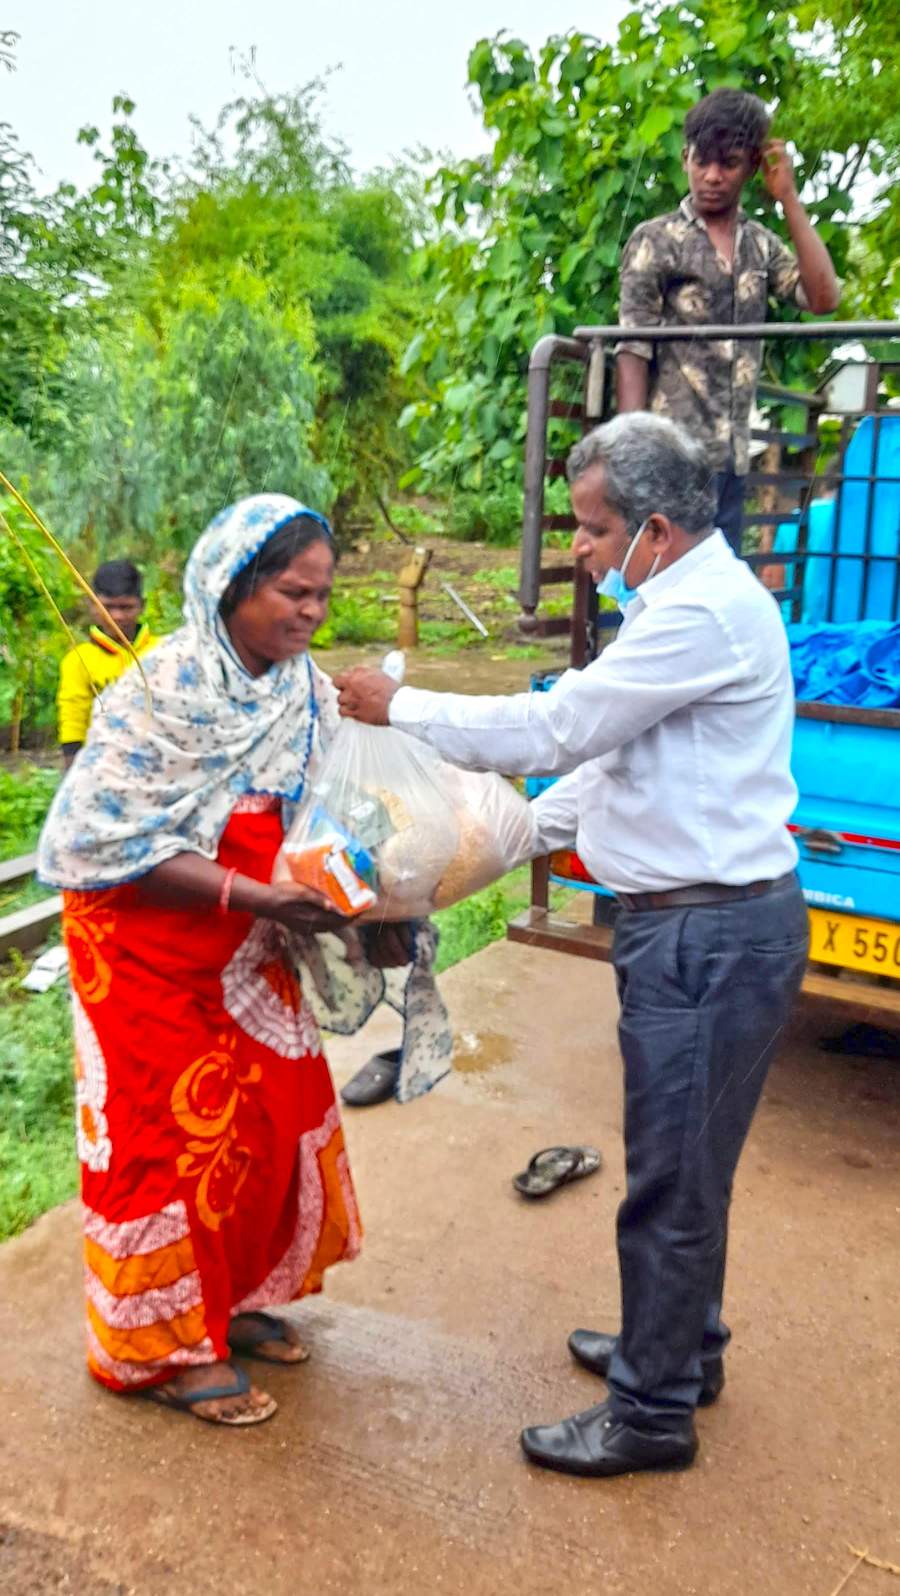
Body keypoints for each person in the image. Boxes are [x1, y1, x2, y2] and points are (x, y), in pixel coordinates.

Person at [335, 413, 810, 1479]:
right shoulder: (681, 608)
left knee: (672, 1181)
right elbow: (599, 778)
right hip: (703, 926)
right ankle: (683, 1350)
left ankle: (651, 1413)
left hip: (706, 934)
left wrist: (399, 708)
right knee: (689, 1169)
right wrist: (473, 852)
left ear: (652, 527)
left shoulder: (701, 615)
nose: (581, 553)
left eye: (592, 531)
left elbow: (558, 733)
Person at [38, 496, 412, 1428]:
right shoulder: (159, 693)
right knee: (163, 1141)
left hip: (248, 949)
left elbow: (337, 810)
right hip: (143, 945)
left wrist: (375, 897)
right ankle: (159, 1349)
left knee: (270, 1117)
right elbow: (91, 842)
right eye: (292, 592)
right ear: (232, 585)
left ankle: (230, 1301)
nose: (310, 613)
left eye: (322, 597)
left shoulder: (301, 690)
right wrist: (252, 897)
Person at [617, 87, 840, 555]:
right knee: (656, 597)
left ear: (753, 165)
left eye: (730, 164)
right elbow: (633, 348)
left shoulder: (760, 245)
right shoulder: (656, 240)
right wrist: (634, 450)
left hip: (732, 462)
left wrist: (789, 200)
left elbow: (823, 298)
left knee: (715, 600)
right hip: (672, 458)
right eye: (703, 162)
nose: (713, 176)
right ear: (685, 158)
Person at [57, 559, 159, 769]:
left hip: (161, 759)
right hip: (104, 765)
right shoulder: (79, 660)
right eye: (108, 607)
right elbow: (73, 718)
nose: (117, 616)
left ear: (142, 605)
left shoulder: (164, 651)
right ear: (92, 605)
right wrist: (72, 772)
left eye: (126, 607)